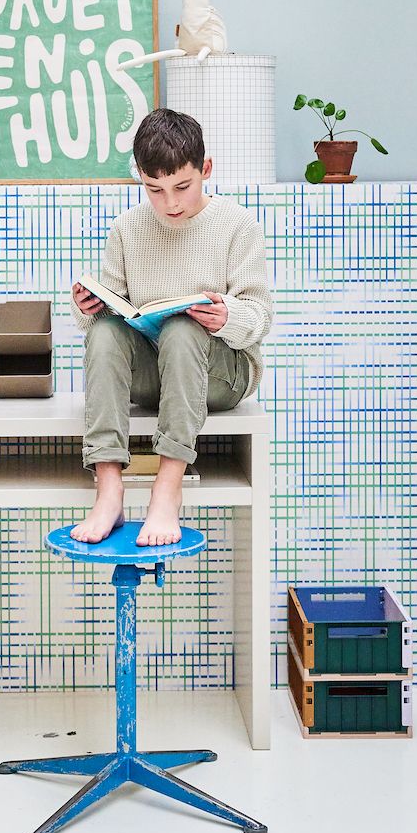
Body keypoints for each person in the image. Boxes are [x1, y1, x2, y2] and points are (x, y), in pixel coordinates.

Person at [70, 108, 273, 547]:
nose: (170, 203)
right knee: (105, 332)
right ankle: (108, 487)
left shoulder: (237, 225)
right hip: (156, 377)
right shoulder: (126, 229)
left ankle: (168, 487)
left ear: (206, 170)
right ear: (140, 178)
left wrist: (227, 316)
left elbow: (260, 318)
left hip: (222, 376)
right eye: (154, 189)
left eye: (182, 186)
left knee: (182, 330)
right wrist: (89, 308)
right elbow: (111, 317)